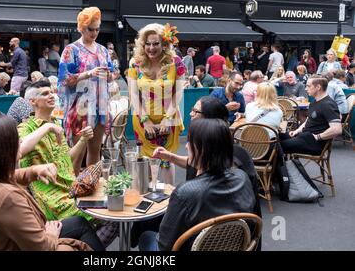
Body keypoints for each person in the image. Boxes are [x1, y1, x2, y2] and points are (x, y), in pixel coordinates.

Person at [0, 114, 104, 251]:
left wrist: (33, 171)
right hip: (27, 245)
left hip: (1, 242)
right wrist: (51, 235)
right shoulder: (8, 198)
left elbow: (11, 176)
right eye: (16, 139)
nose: (21, 141)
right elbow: (42, 248)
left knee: (79, 222)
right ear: (3, 150)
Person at [18, 82, 117, 248]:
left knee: (114, 208)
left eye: (51, 92)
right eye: (44, 93)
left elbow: (66, 160)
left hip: (72, 190)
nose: (51, 96)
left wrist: (84, 140)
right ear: (32, 102)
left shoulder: (57, 125)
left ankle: (82, 245)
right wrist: (47, 126)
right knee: (110, 215)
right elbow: (20, 149)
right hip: (53, 200)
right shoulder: (26, 127)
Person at [138, 118, 256, 251]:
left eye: (189, 141)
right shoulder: (243, 177)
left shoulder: (185, 193)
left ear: (202, 150)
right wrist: (170, 157)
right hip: (234, 246)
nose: (186, 146)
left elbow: (164, 246)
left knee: (146, 236)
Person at [128, 23, 186, 185]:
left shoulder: (176, 62)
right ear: (142, 44)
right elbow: (133, 94)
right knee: (145, 162)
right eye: (148, 44)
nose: (151, 48)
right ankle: (147, 204)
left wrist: (168, 118)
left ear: (164, 44)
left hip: (168, 119)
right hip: (142, 119)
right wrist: (145, 120)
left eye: (156, 43)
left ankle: (168, 204)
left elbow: (178, 93)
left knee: (166, 162)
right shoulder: (135, 62)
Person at [58, 7, 114, 166]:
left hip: (100, 107)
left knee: (95, 151)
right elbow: (65, 79)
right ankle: (74, 189)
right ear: (81, 28)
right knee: (77, 154)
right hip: (80, 107)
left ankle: (92, 187)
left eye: (97, 29)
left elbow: (112, 74)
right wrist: (89, 73)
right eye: (91, 29)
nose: (94, 33)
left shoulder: (103, 50)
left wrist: (109, 76)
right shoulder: (71, 50)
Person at [280, 76, 342, 155]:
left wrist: (317, 137)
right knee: (275, 137)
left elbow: (337, 129)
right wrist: (297, 131)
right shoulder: (315, 101)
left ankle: (280, 166)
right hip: (304, 136)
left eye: (308, 86)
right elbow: (308, 120)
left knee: (276, 146)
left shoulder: (328, 104)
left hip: (313, 143)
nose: (306, 89)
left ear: (318, 87)